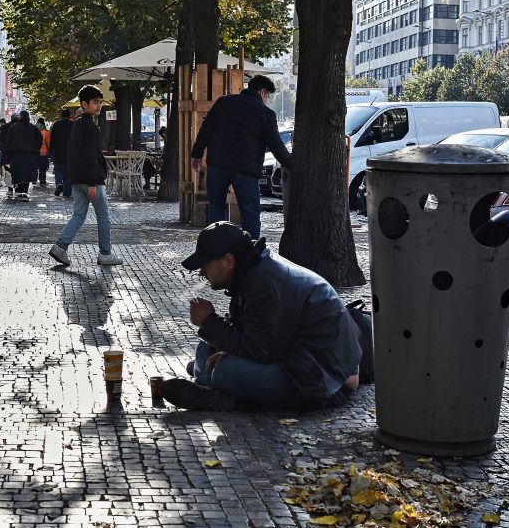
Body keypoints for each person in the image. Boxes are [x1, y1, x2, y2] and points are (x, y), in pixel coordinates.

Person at [160, 222, 362, 412]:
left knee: (225, 371)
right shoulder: (255, 270)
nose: (202, 273)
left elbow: (262, 350)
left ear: (229, 261)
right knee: (207, 346)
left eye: (206, 265)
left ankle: (211, 386)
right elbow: (256, 333)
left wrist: (209, 321)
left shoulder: (264, 283)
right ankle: (208, 384)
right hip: (294, 354)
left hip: (323, 377)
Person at [190, 75, 293, 240]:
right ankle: (251, 251)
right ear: (262, 92)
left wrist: (196, 155)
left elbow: (206, 130)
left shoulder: (223, 102)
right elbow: (276, 146)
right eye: (268, 96)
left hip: (218, 165)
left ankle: (218, 247)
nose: (267, 100)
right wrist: (293, 164)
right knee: (250, 211)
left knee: (216, 206)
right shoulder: (266, 114)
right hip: (246, 170)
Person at [48, 85, 123, 267]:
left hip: (77, 179)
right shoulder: (90, 127)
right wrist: (92, 182)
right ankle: (105, 253)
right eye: (95, 102)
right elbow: (90, 156)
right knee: (103, 215)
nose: (99, 106)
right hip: (91, 181)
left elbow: (74, 154)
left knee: (79, 215)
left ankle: (60, 247)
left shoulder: (78, 125)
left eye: (100, 102)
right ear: (84, 104)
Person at [2, 111, 42, 202]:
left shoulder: (13, 127)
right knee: (27, 173)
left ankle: (20, 192)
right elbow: (39, 140)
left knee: (17, 173)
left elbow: (8, 141)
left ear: (20, 117)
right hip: (30, 155)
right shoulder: (33, 128)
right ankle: (25, 192)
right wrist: (35, 149)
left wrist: (6, 154)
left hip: (16, 154)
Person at [49, 109, 74, 197]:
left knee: (58, 170)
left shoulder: (56, 125)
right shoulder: (73, 125)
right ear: (69, 116)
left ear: (61, 115)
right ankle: (67, 192)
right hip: (70, 152)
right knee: (68, 173)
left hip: (58, 152)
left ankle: (59, 183)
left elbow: (52, 139)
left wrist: (51, 151)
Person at [36, 117, 51, 186]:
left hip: (35, 152)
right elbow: (49, 143)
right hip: (44, 153)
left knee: (35, 167)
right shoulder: (46, 132)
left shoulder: (34, 131)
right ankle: (42, 180)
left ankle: (34, 179)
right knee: (42, 168)